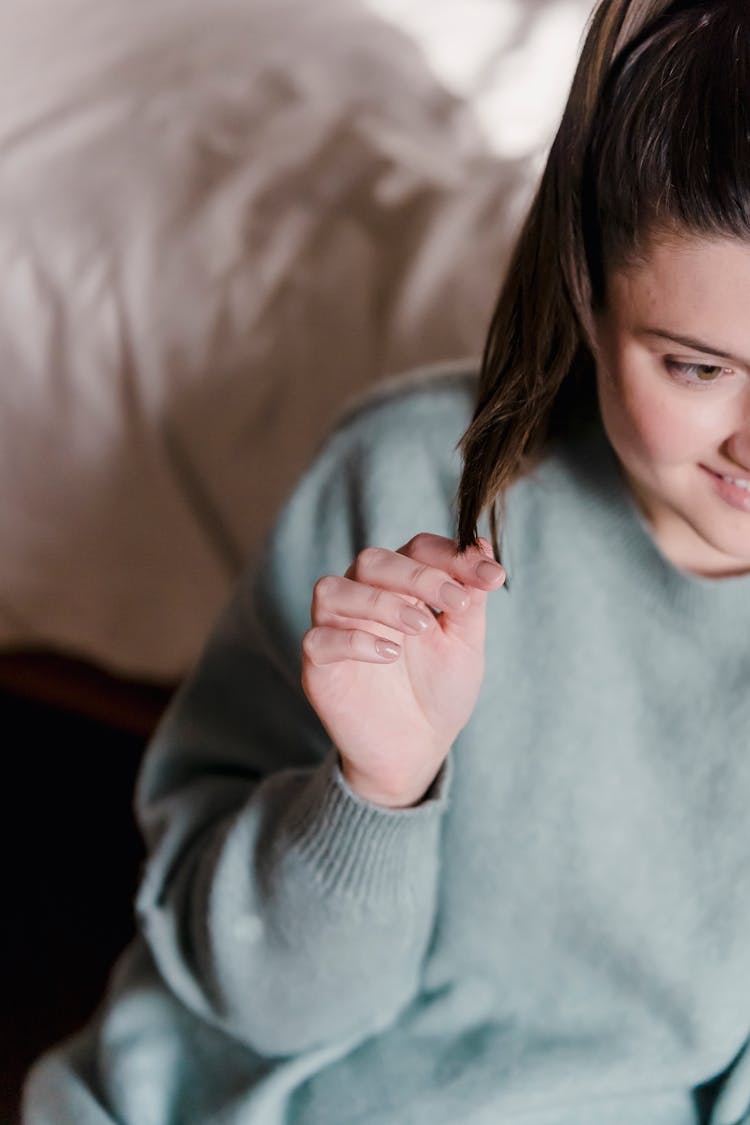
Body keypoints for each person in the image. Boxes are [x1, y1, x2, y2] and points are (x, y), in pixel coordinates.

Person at [22, 0, 750, 1122]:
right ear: (592, 302)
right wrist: (374, 791)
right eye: (698, 368)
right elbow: (252, 1006)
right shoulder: (410, 476)